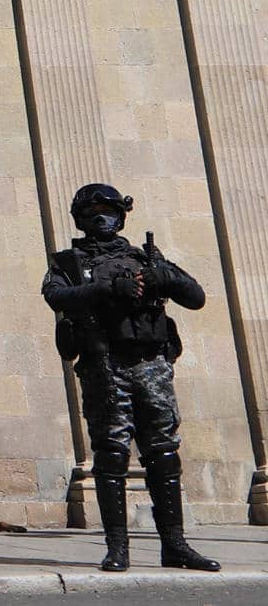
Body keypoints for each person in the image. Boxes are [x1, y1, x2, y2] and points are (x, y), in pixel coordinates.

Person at [43, 184, 220, 573]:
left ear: (121, 217)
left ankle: (175, 545)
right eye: (93, 213)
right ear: (81, 219)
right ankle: (117, 548)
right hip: (106, 369)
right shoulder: (71, 263)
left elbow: (196, 296)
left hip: (152, 366)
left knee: (164, 454)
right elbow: (55, 296)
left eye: (109, 211)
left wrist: (162, 279)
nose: (102, 219)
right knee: (111, 456)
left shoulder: (143, 257)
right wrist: (105, 289)